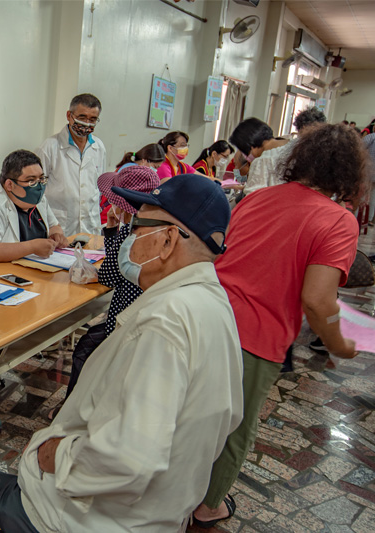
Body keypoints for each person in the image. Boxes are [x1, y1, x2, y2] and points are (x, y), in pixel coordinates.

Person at [0, 174, 243, 532]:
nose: (130, 236)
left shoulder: (164, 324)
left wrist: (54, 455)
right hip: (158, 511)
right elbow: (228, 416)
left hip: (89, 519)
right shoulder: (214, 305)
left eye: (138, 225)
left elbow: (131, 458)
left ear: (168, 239)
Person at [192, 123, 366, 528]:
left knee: (191, 410)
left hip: (205, 313)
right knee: (235, 427)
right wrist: (338, 343)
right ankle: (208, 506)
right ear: (350, 174)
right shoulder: (338, 222)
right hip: (255, 336)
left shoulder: (259, 198)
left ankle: (172, 486)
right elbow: (319, 299)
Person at [64, 165, 160, 403]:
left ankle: (71, 409)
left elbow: (108, 277)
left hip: (127, 324)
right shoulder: (150, 227)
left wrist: (111, 229)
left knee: (85, 350)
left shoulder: (131, 234)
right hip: (139, 318)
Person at [0, 150, 68, 264]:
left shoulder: (37, 198)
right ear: (10, 185)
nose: (39, 186)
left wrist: (56, 236)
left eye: (41, 179)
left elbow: (54, 226)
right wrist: (32, 247)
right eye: (31, 181)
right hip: (1, 274)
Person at [36, 94, 107, 236]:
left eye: (92, 119)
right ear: (69, 115)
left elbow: (98, 186)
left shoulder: (98, 147)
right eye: (82, 117)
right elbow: (37, 191)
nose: (87, 123)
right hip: (59, 226)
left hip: (90, 225)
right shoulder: (49, 147)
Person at [244, 107, 326, 195]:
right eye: (314, 129)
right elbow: (253, 195)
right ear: (303, 128)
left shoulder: (322, 159)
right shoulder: (270, 158)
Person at [99, 144, 164, 224]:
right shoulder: (133, 173)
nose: (155, 170)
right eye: (155, 166)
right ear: (145, 160)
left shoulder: (130, 168)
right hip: (113, 216)